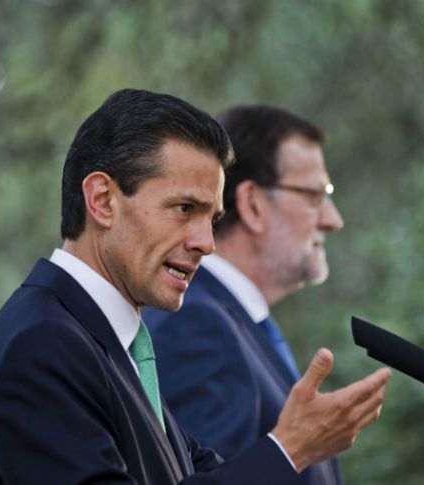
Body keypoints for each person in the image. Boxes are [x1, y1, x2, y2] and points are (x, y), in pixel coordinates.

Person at [0, 89, 390, 484]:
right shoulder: (42, 345)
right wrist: (289, 449)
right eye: (184, 208)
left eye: (212, 219)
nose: (206, 243)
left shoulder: (108, 346)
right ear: (103, 201)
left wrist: (294, 445)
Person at [143, 106, 345, 484]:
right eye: (315, 195)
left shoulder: (234, 321)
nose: (333, 220)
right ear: (253, 204)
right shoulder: (196, 325)